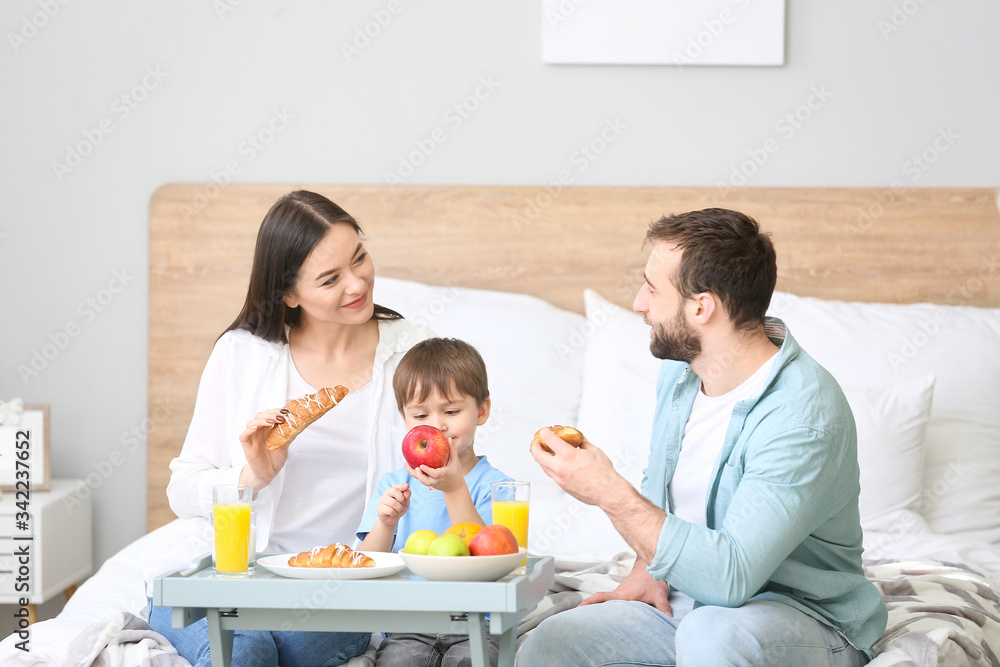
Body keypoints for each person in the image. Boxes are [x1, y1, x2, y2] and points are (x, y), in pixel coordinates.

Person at [517, 208, 888, 666]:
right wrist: (646, 570)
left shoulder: (801, 416)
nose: (639, 302)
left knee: (713, 636)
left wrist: (608, 491)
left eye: (653, 288)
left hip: (806, 619)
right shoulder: (681, 371)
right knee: (552, 641)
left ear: (701, 306)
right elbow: (664, 482)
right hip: (691, 609)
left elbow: (731, 577)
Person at [148, 190, 435, 667]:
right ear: (287, 294)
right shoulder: (241, 354)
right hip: (231, 576)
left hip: (338, 594)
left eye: (359, 257)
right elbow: (182, 490)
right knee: (245, 646)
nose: (356, 284)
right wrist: (251, 478)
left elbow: (446, 472)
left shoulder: (415, 353)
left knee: (249, 652)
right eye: (329, 279)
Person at [357, 337, 512, 667]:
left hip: (478, 625)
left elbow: (487, 564)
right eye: (421, 415)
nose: (438, 425)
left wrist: (455, 488)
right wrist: (386, 523)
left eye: (452, 411)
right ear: (404, 419)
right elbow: (366, 564)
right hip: (408, 626)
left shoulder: (497, 488)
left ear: (482, 410)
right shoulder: (393, 485)